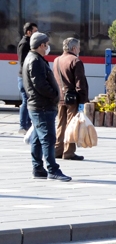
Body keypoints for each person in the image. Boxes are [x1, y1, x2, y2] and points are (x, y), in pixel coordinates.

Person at [23, 32, 71, 181]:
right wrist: (53, 95)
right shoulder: (35, 60)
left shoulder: (33, 58)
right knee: (48, 138)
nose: (48, 47)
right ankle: (52, 169)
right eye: (47, 44)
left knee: (38, 138)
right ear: (41, 45)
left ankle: (38, 168)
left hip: (38, 105)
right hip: (42, 106)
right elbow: (40, 84)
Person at [53, 38, 88, 160]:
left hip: (60, 97)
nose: (79, 49)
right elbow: (80, 83)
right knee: (72, 124)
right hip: (73, 98)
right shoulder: (75, 61)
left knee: (61, 124)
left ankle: (57, 149)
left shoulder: (56, 60)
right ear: (73, 48)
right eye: (78, 47)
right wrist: (82, 100)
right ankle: (68, 152)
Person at [17, 22, 38, 134]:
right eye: (35, 31)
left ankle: (28, 125)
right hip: (24, 77)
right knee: (26, 100)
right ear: (28, 32)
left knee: (29, 100)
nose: (36, 33)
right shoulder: (24, 44)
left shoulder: (29, 43)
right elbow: (22, 62)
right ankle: (23, 126)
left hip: (26, 77)